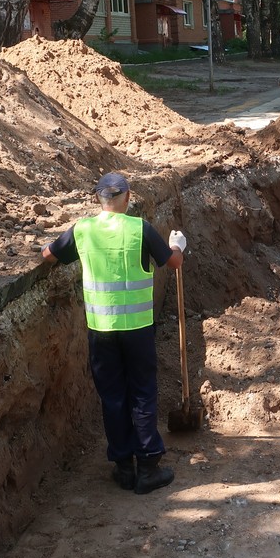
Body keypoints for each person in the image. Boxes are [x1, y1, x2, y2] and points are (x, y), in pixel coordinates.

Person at [42, 172, 186, 495]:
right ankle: (147, 466)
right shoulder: (139, 229)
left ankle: (123, 467)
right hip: (137, 330)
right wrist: (177, 245)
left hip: (101, 330)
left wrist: (43, 248)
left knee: (113, 397)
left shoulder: (83, 230)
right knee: (142, 393)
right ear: (127, 196)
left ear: (98, 198)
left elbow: (49, 255)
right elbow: (173, 262)